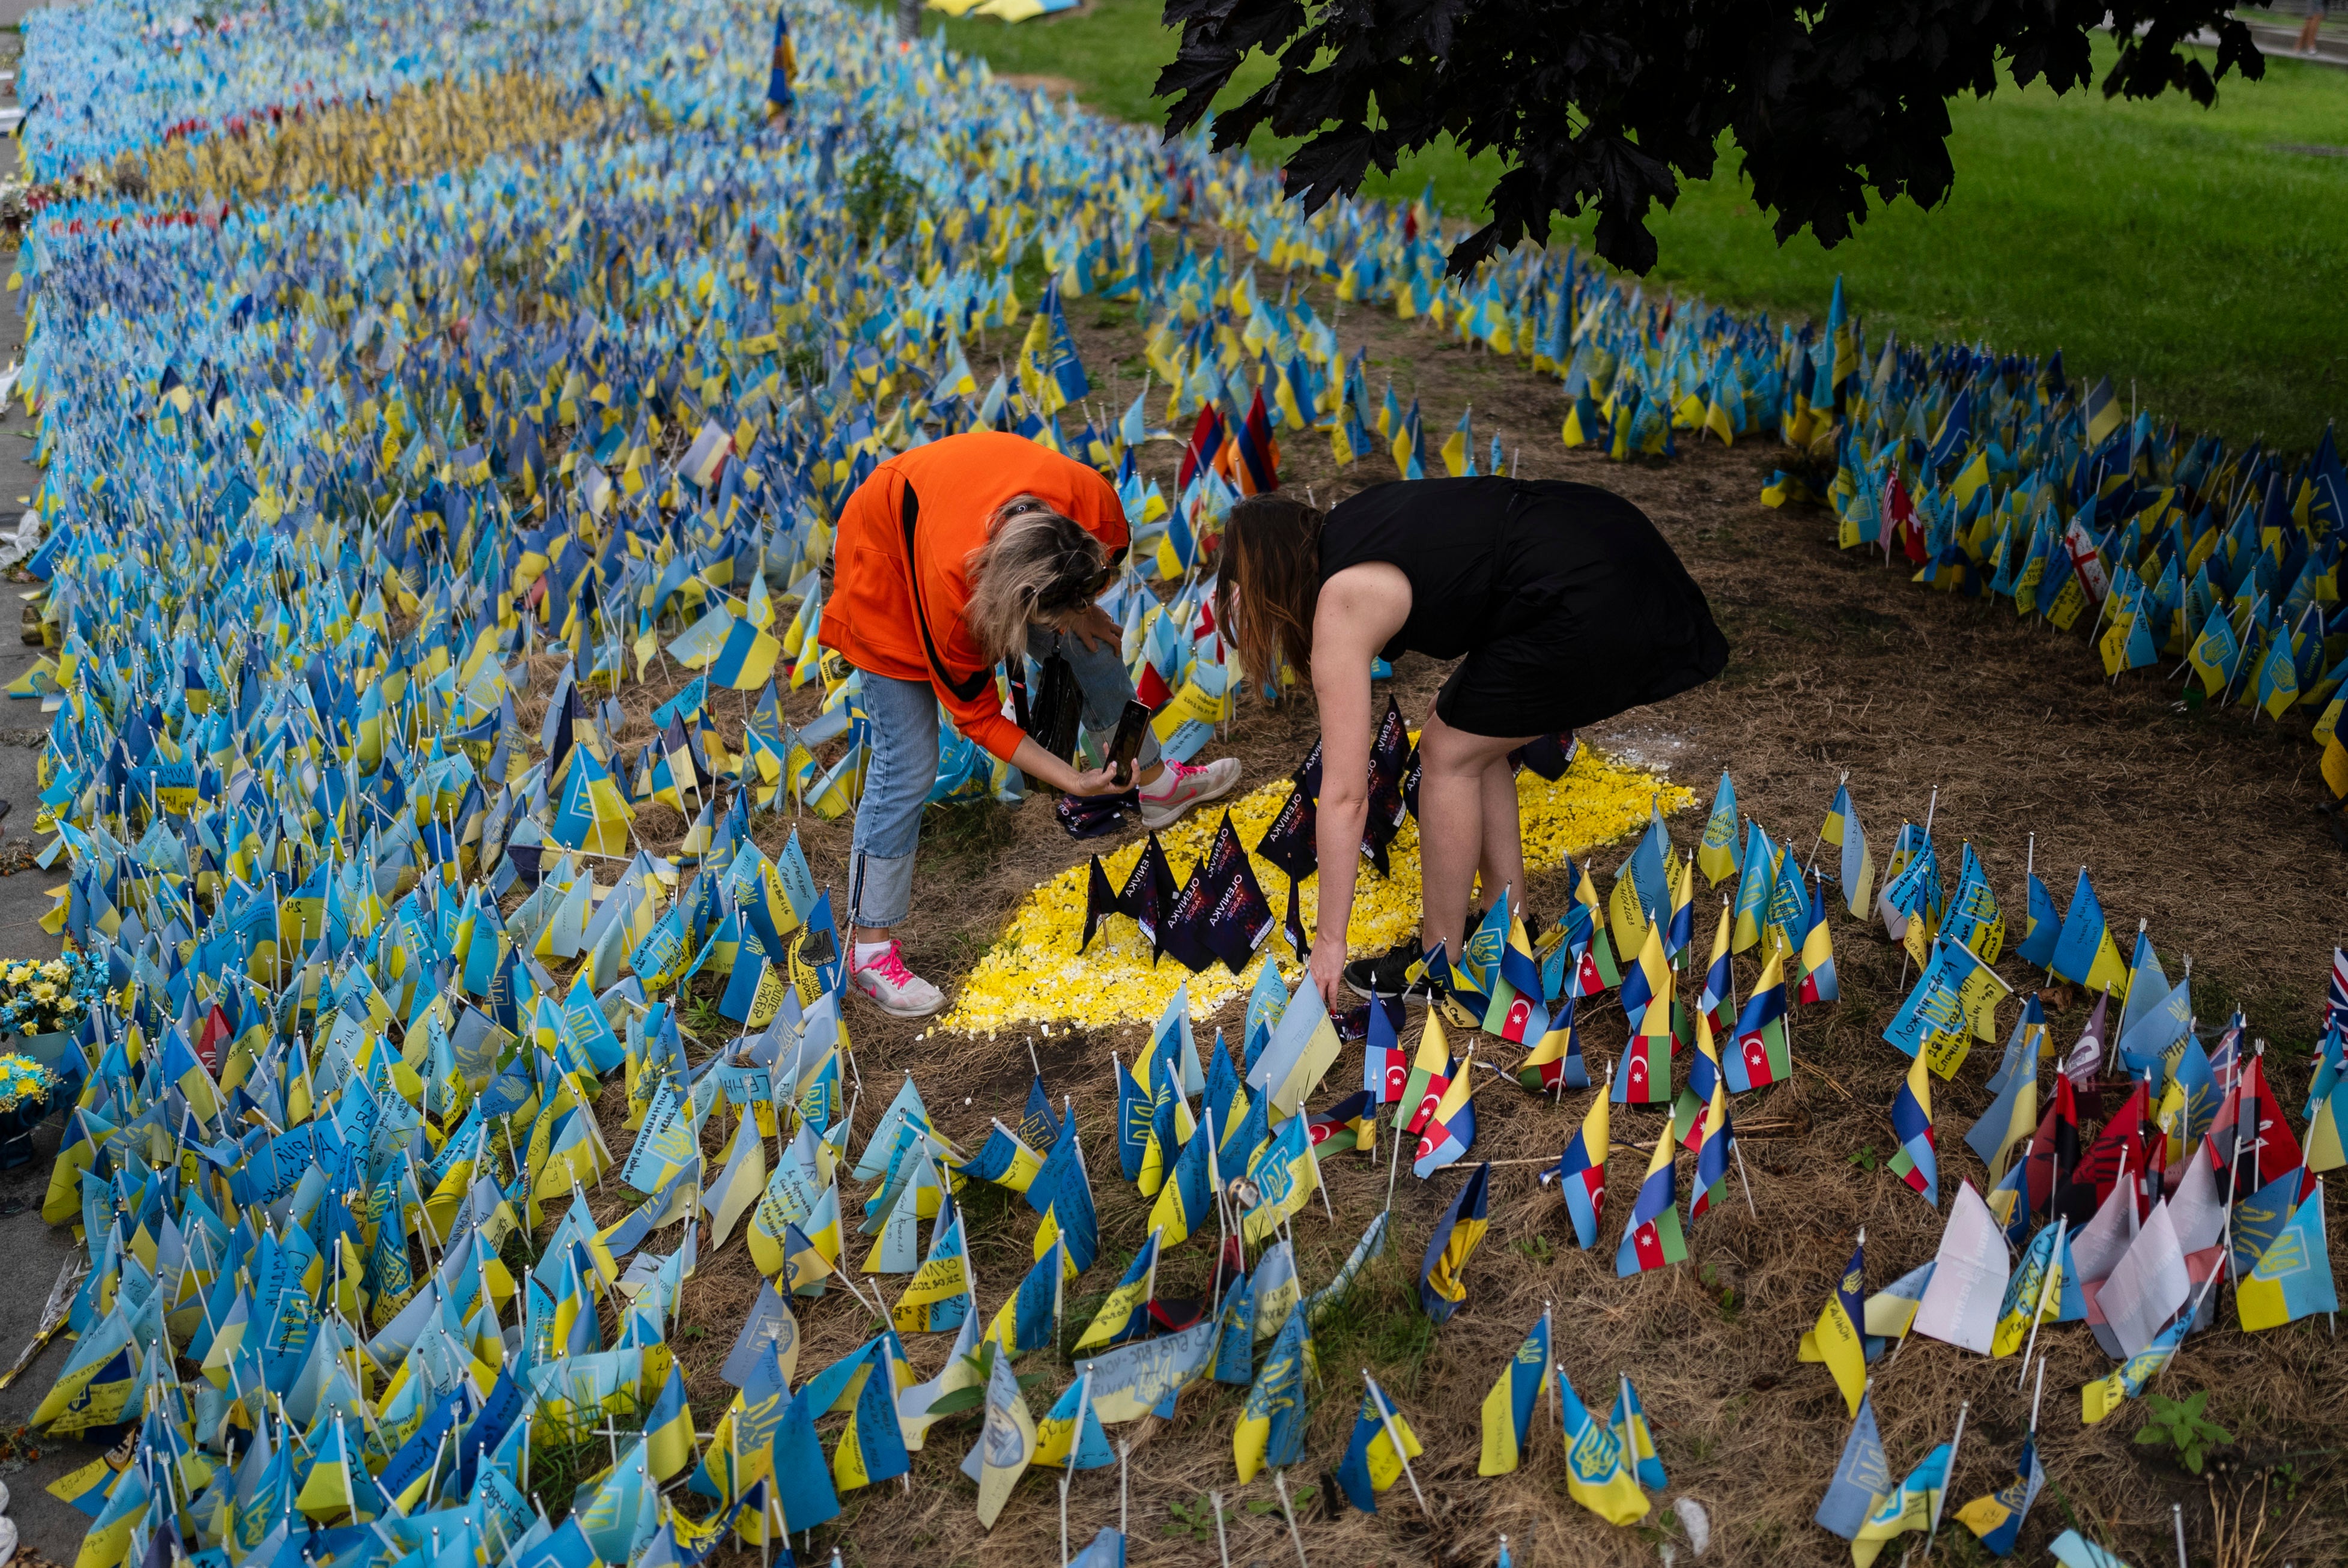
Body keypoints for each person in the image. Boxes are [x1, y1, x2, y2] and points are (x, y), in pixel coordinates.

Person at [1215, 477, 1727, 1010]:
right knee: (1464, 726)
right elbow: (1478, 560)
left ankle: (1440, 961)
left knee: (1447, 754)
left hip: (1590, 592)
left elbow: (1345, 797)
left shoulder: (1342, 600)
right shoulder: (1351, 525)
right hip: (1602, 536)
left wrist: (1328, 943)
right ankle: (1509, 925)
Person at [819, 431, 1241, 1017]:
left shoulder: (1093, 505)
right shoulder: (950, 601)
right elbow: (979, 720)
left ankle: (1152, 779)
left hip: (994, 531)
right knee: (908, 763)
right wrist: (1073, 780)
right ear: (1009, 603)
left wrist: (1083, 608)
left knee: (1088, 636)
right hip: (887, 555)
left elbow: (1088, 586)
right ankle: (870, 952)